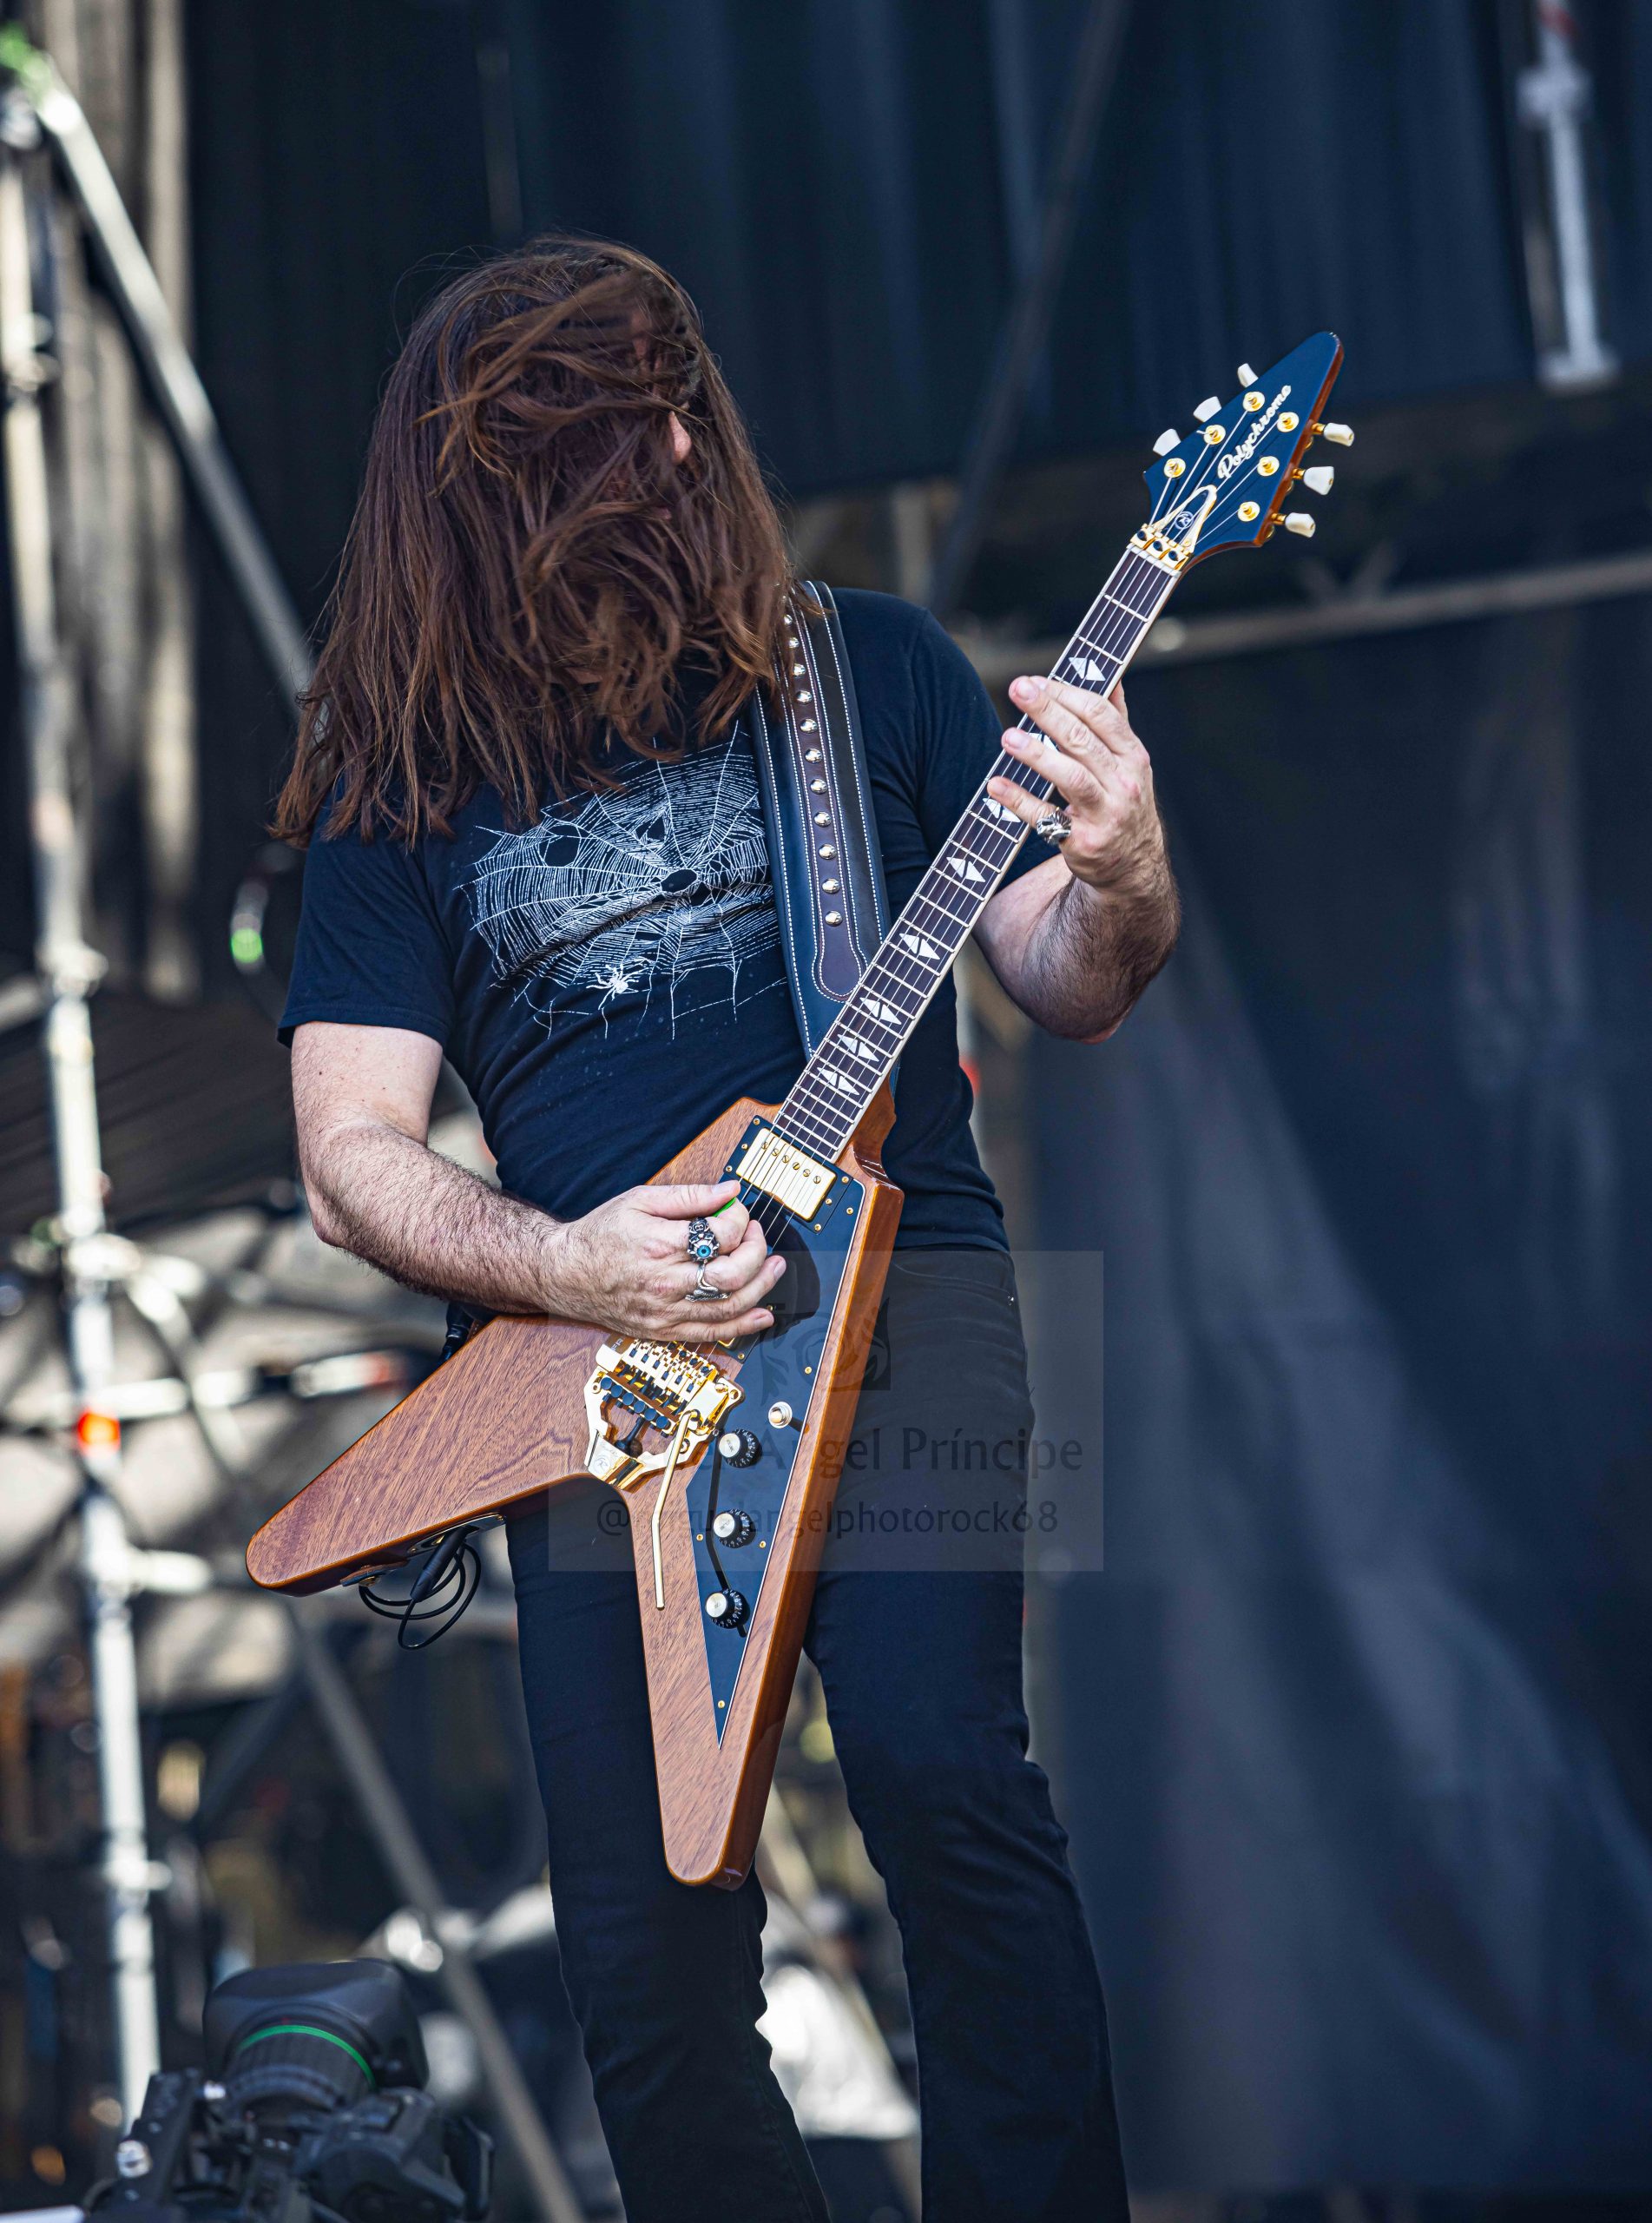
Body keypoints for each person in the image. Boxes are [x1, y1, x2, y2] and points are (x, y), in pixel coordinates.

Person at [274, 237, 1178, 2222]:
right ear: (479, 489)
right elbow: (350, 1156)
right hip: (594, 1360)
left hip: (913, 1285)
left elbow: (1069, 975)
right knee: (643, 1933)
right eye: (594, 443)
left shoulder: (866, 668)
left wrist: (1120, 864)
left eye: (669, 419)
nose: (664, 460)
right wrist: (564, 1259)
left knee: (950, 1779)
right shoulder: (397, 782)